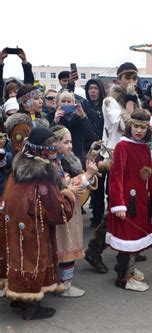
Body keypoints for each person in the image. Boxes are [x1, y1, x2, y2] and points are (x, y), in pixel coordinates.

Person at [0, 127, 75, 320]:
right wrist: (68, 195)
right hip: (32, 228)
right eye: (50, 146)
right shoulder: (42, 175)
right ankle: (32, 307)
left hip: (13, 223)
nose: (53, 149)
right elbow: (58, 212)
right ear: (41, 148)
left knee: (16, 257)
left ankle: (18, 298)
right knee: (32, 259)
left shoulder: (18, 167)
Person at [84, 62, 143, 274]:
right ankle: (94, 249)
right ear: (119, 78)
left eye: (134, 77)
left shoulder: (134, 99)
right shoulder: (110, 101)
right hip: (117, 156)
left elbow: (141, 126)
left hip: (133, 155)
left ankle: (128, 245)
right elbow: (126, 125)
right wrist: (129, 100)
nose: (131, 81)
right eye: (127, 76)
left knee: (133, 200)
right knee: (118, 204)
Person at [106, 108, 152, 291]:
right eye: (136, 127)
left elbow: (149, 177)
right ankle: (124, 278)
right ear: (130, 126)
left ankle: (129, 269)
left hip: (140, 202)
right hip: (126, 202)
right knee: (127, 239)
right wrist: (118, 205)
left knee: (136, 237)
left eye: (142, 127)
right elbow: (117, 177)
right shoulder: (123, 146)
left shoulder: (145, 149)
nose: (139, 131)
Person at [52, 125, 99, 297]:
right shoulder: (53, 163)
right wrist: (86, 176)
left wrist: (88, 176)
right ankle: (65, 285)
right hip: (64, 215)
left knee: (65, 247)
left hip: (69, 211)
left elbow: (70, 183)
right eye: (66, 142)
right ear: (55, 143)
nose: (70, 145)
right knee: (66, 246)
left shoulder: (62, 160)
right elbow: (65, 187)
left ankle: (62, 282)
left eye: (71, 141)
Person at [83, 78, 106, 228]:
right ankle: (96, 216)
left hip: (105, 149)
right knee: (94, 183)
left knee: (105, 182)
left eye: (95, 88)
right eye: (90, 88)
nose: (92, 91)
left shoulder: (107, 105)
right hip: (90, 149)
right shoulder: (84, 106)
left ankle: (103, 215)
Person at [49, 90, 95, 162]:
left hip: (77, 156)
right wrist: (55, 121)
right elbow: (49, 138)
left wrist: (83, 117)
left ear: (73, 103)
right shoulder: (51, 115)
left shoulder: (79, 117)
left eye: (69, 102)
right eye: (63, 101)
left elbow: (91, 137)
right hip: (58, 156)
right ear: (58, 103)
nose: (66, 104)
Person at [4, 85, 50, 157]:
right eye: (36, 98)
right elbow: (21, 157)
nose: (41, 101)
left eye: (41, 98)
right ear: (24, 103)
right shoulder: (21, 127)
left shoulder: (40, 122)